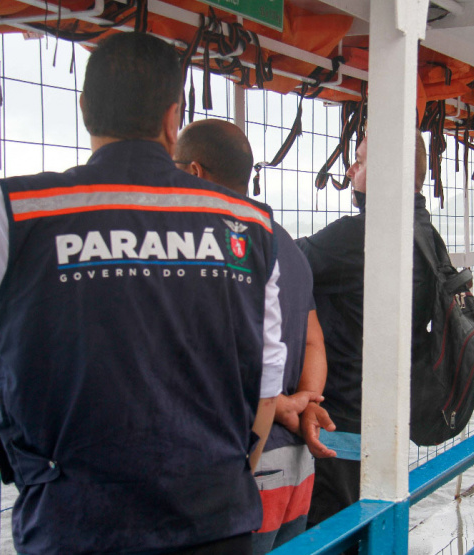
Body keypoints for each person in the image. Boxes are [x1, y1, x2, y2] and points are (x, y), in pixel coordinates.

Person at [0, 32, 286, 555]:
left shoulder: (16, 215)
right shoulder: (251, 225)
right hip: (216, 522)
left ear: (84, 110)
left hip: (76, 527)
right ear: (173, 120)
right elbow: (266, 380)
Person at [173, 119, 337, 554]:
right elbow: (314, 341)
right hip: (299, 463)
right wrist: (307, 403)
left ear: (193, 172)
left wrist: (279, 407)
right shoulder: (282, 244)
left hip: (246, 459)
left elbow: (213, 356)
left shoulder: (202, 247)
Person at [297, 130, 438, 527]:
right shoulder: (425, 233)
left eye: (360, 160)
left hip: (337, 424)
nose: (351, 169)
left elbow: (279, 261)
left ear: (389, 170)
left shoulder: (356, 235)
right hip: (386, 421)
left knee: (328, 533)